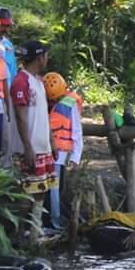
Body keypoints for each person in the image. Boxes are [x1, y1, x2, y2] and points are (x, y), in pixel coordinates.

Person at [6, 41, 57, 235]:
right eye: (45, 56)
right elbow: (20, 117)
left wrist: (51, 141)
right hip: (28, 148)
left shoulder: (38, 81)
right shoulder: (21, 81)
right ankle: (18, 235)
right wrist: (28, 147)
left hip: (42, 146)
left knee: (41, 189)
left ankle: (35, 233)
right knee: (26, 193)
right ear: (39, 57)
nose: (47, 60)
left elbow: (44, 114)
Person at [43, 72, 83, 230]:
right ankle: (46, 220)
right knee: (44, 189)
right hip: (42, 152)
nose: (52, 102)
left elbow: (77, 131)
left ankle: (55, 222)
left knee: (54, 190)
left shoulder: (69, 104)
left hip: (59, 155)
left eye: (54, 99)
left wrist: (75, 157)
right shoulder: (41, 99)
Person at [0, 7, 15, 157]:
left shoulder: (8, 46)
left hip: (5, 99)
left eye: (8, 25)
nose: (5, 29)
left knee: (4, 142)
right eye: (3, 25)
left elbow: (12, 73)